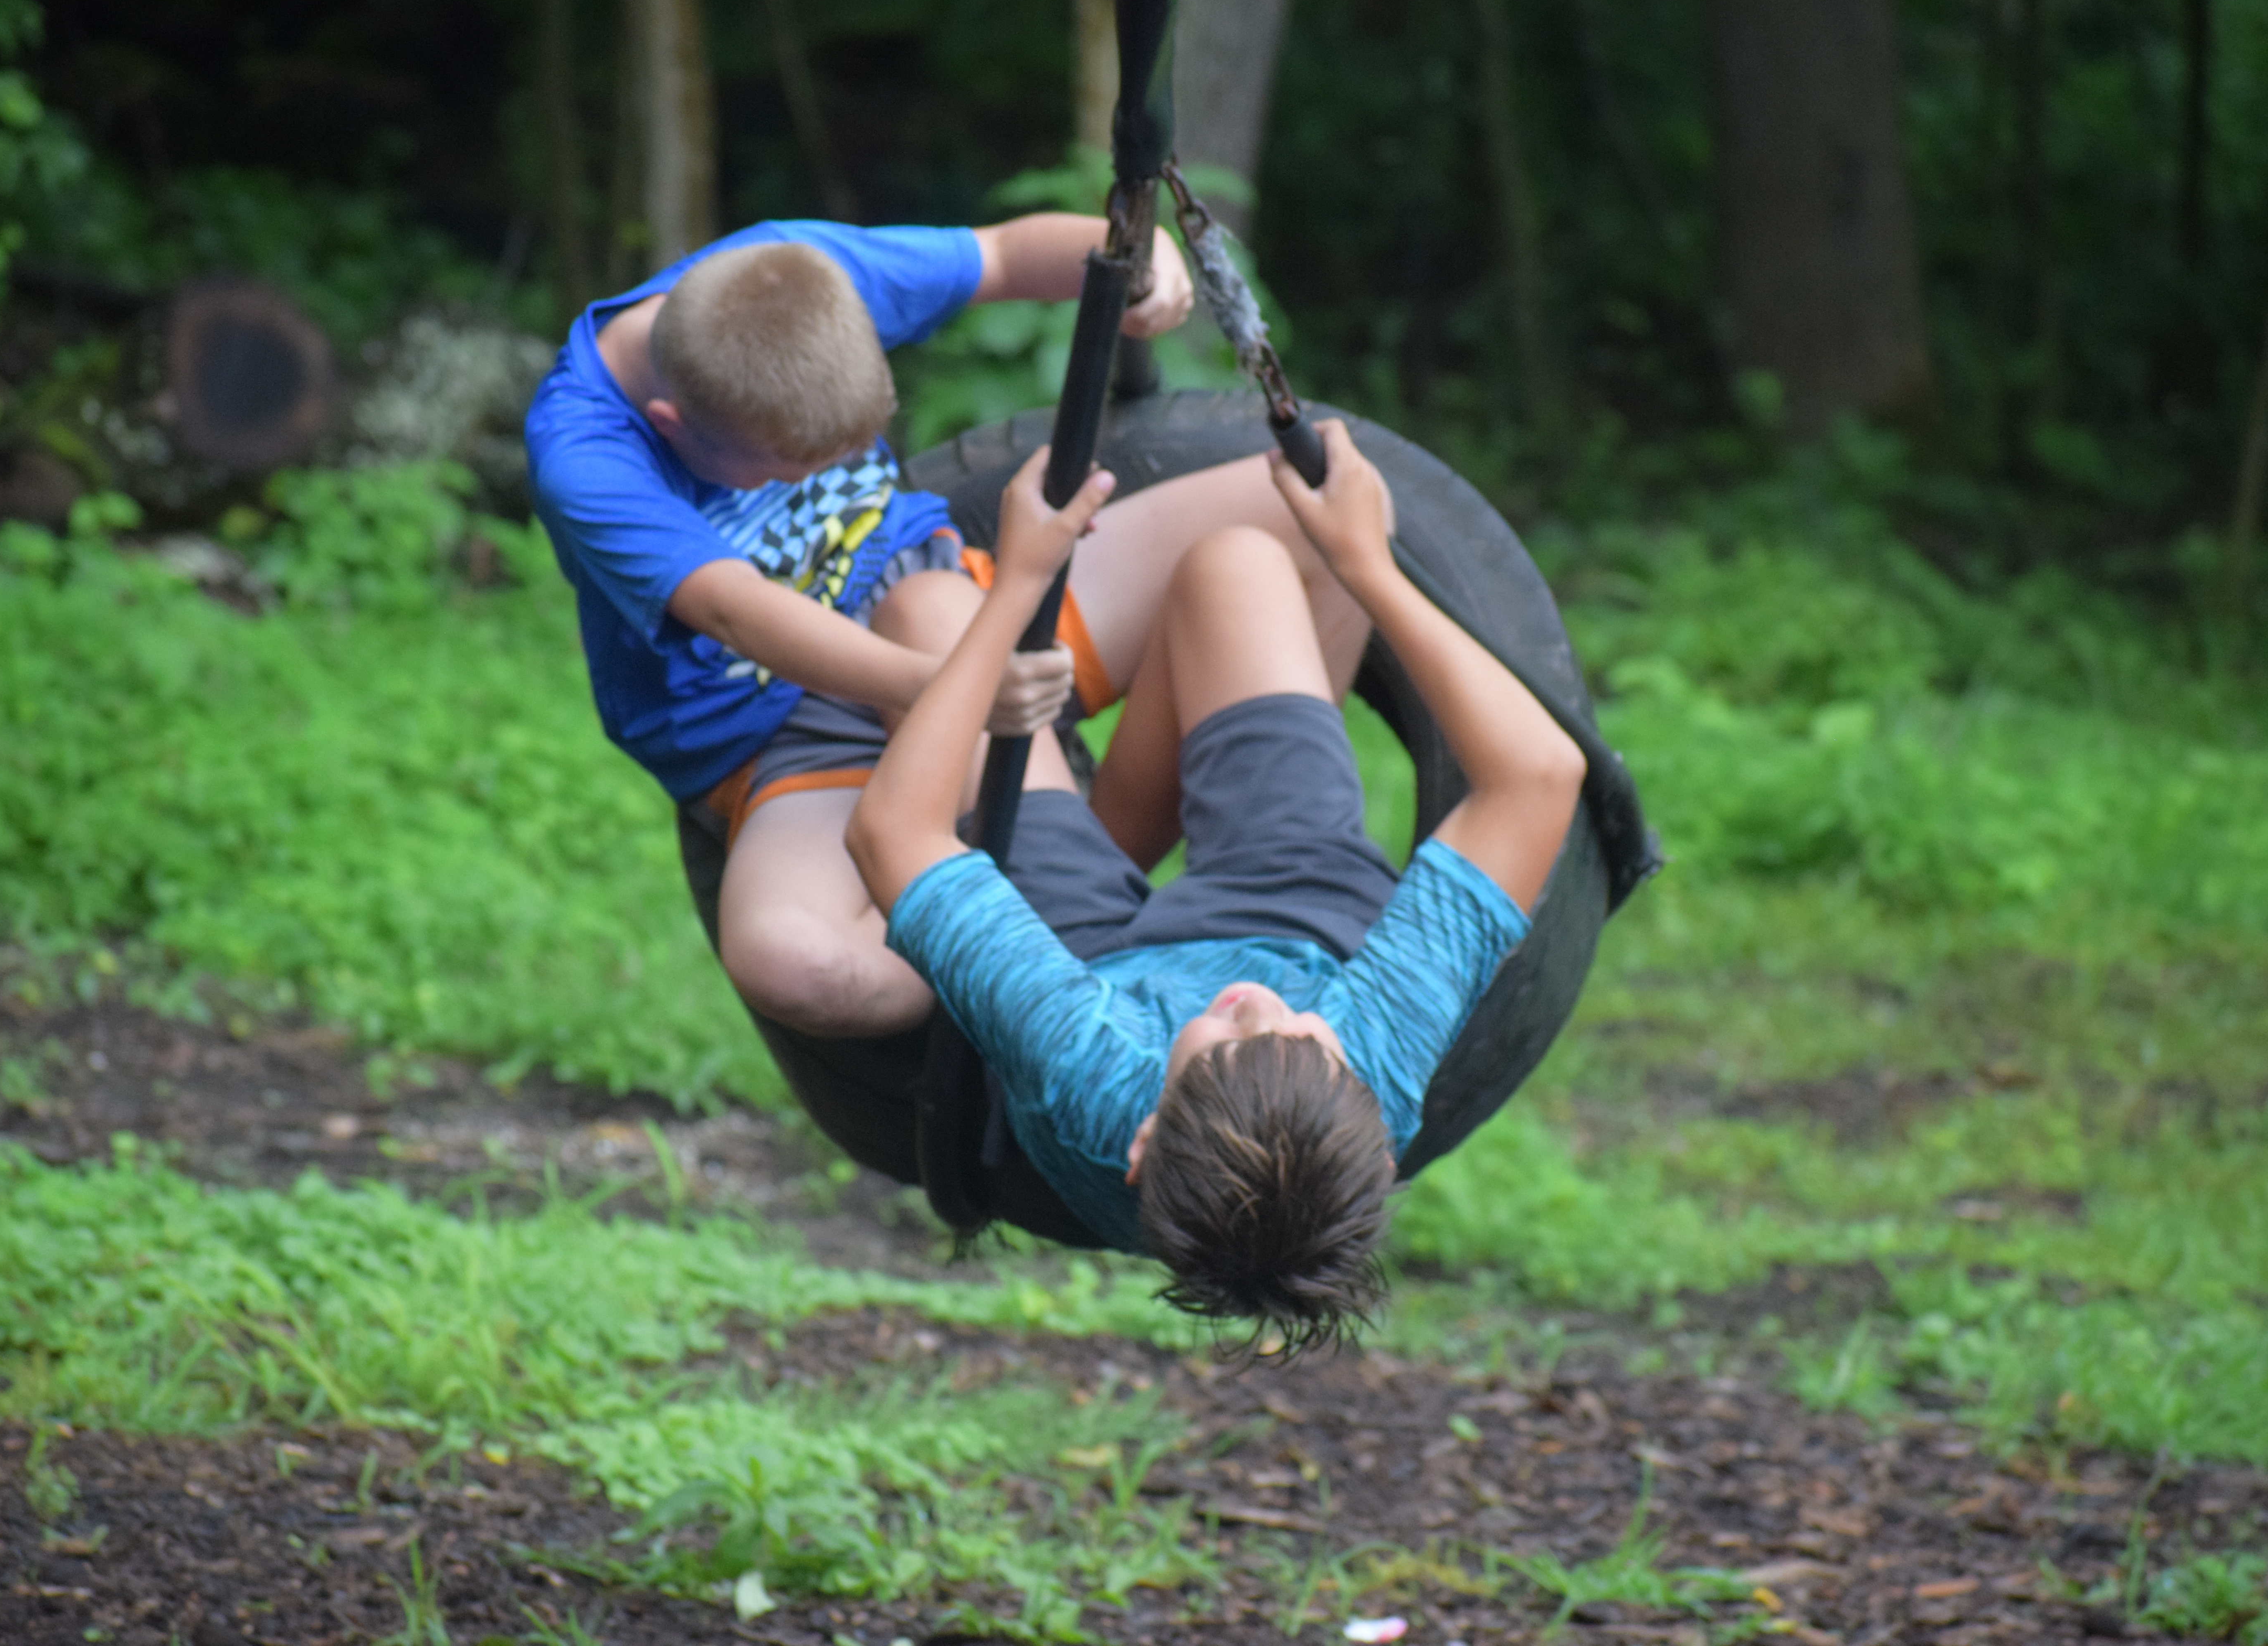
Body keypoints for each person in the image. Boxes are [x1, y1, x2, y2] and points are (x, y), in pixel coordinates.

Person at [525, 215, 1366, 1038]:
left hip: (941, 598)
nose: (824, 475)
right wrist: (957, 689)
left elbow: (1000, 254)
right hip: (784, 725)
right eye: (794, 468)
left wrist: (1143, 263)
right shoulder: (587, 455)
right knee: (795, 960)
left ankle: (1098, 867)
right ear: (672, 427)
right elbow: (735, 611)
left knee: (1324, 507)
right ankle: (1025, 959)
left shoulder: (789, 277)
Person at [845, 421, 1587, 1344]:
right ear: (1367, 1112)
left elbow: (891, 834)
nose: (1256, 1005)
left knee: (925, 610)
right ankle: (1087, 827)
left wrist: (1023, 583)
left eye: (1227, 1039)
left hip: (1094, 965)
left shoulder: (1091, 1072)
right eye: (1302, 1036)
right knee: (1236, 565)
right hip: (1295, 913)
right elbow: (1538, 779)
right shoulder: (1372, 1058)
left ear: (1144, 1138)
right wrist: (1368, 563)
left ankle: (1061, 831)